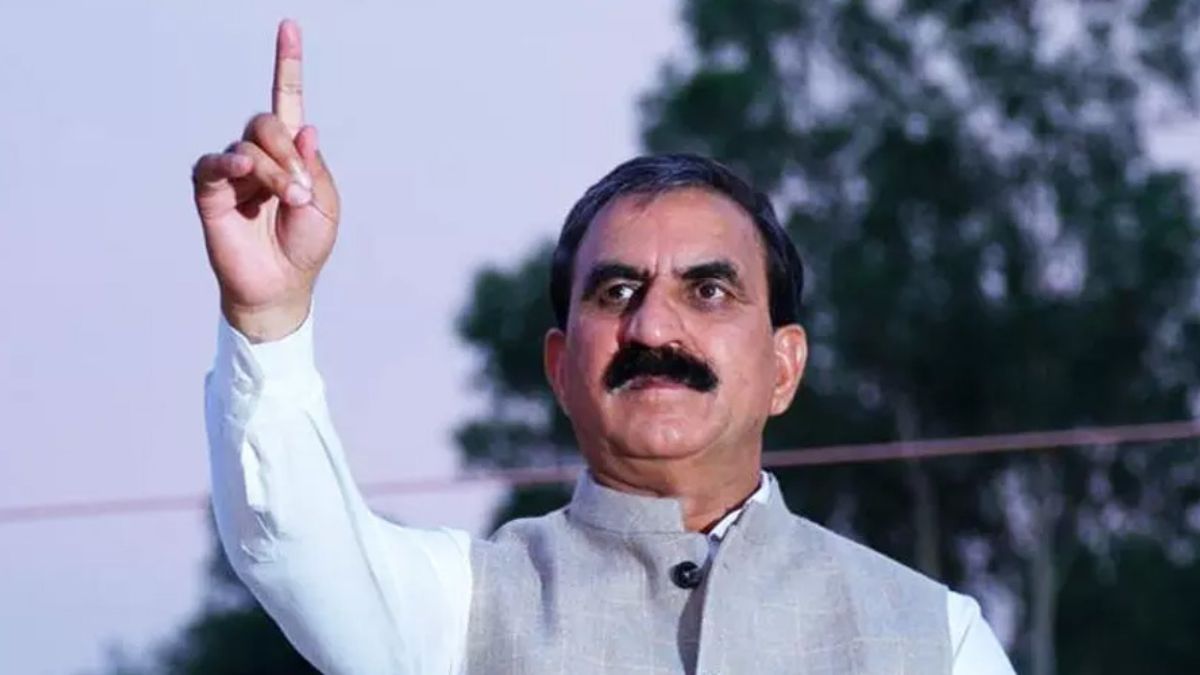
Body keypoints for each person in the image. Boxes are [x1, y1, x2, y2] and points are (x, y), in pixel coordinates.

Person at [194, 19, 1016, 675]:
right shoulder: (462, 609)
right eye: (617, 292)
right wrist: (269, 311)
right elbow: (292, 541)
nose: (654, 329)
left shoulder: (932, 639)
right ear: (561, 367)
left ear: (784, 366)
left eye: (708, 291)